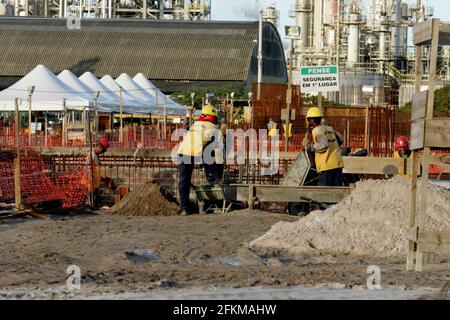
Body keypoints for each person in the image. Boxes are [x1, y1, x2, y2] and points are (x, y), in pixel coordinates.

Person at [177, 105, 223, 216]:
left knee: (184, 181)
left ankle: (184, 208)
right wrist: (219, 173)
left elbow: (186, 127)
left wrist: (188, 113)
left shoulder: (196, 124)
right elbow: (218, 153)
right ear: (214, 118)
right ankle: (211, 202)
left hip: (183, 152)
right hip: (197, 152)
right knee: (210, 166)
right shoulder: (215, 130)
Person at [304, 107, 344, 186]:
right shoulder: (329, 128)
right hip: (337, 163)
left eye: (308, 120)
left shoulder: (316, 131)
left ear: (312, 120)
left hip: (326, 166)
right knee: (337, 192)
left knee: (324, 193)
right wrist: (333, 147)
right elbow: (341, 138)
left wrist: (310, 147)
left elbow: (324, 145)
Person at [85, 137, 110, 209]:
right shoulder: (94, 155)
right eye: (103, 151)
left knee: (92, 194)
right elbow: (96, 170)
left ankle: (92, 205)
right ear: (100, 147)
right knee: (92, 193)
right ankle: (92, 206)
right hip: (90, 178)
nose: (102, 152)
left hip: (89, 177)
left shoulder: (93, 153)